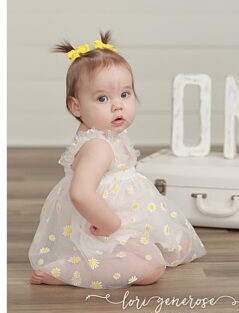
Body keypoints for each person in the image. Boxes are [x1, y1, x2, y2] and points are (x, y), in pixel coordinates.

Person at [29, 31, 206, 288]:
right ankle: (70, 270)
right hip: (101, 221)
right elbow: (80, 193)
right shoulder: (98, 146)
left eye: (125, 94)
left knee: (180, 245)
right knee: (151, 268)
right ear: (76, 106)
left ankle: (131, 246)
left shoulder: (105, 131)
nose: (117, 105)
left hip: (127, 210)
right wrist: (110, 224)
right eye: (103, 98)